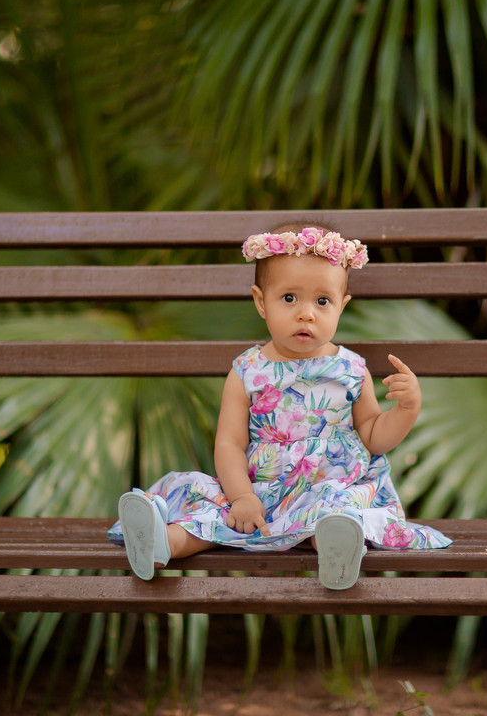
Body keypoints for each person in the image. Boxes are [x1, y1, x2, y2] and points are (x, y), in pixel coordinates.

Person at [108, 225, 451, 589]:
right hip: (260, 491)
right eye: (289, 298)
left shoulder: (352, 370)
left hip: (331, 486)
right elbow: (229, 444)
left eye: (322, 301)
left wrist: (405, 410)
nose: (306, 314)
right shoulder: (248, 372)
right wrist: (242, 497)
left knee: (334, 514)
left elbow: (373, 437)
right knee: (214, 512)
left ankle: (336, 553)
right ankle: (161, 544)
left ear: (342, 306)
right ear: (261, 302)